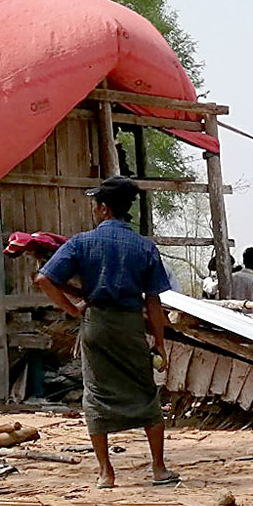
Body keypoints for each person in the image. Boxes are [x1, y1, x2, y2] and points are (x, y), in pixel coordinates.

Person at [35, 176, 179, 489]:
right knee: (145, 392)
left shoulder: (81, 242)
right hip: (129, 325)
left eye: (94, 204)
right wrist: (160, 343)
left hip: (96, 324)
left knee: (96, 394)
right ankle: (158, 468)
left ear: (103, 208)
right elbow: (153, 302)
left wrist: (73, 309)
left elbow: (43, 279)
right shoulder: (144, 246)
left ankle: (106, 473)